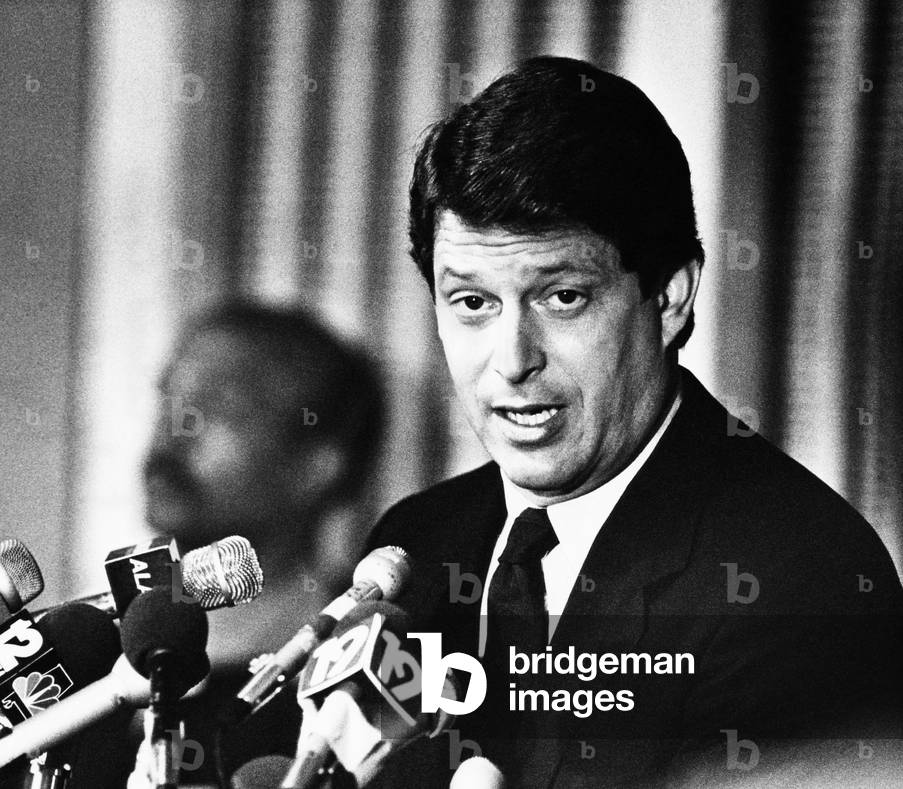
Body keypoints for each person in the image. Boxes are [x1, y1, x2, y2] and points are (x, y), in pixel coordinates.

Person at [364, 57, 903, 788]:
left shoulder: (801, 584)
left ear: (670, 296)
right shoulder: (415, 548)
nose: (512, 361)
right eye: (472, 303)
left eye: (561, 297)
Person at [141, 300, 384, 784]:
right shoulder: (95, 655)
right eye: (170, 399)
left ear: (316, 467)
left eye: (221, 409)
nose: (173, 435)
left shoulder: (361, 677)